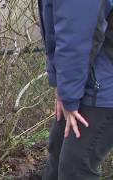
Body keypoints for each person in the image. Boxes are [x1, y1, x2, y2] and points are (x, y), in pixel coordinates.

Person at [39, 0, 113, 179]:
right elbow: (53, 27)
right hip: (85, 79)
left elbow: (76, 36)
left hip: (103, 85)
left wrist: (69, 97)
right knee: (57, 153)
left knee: (76, 169)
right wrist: (61, 85)